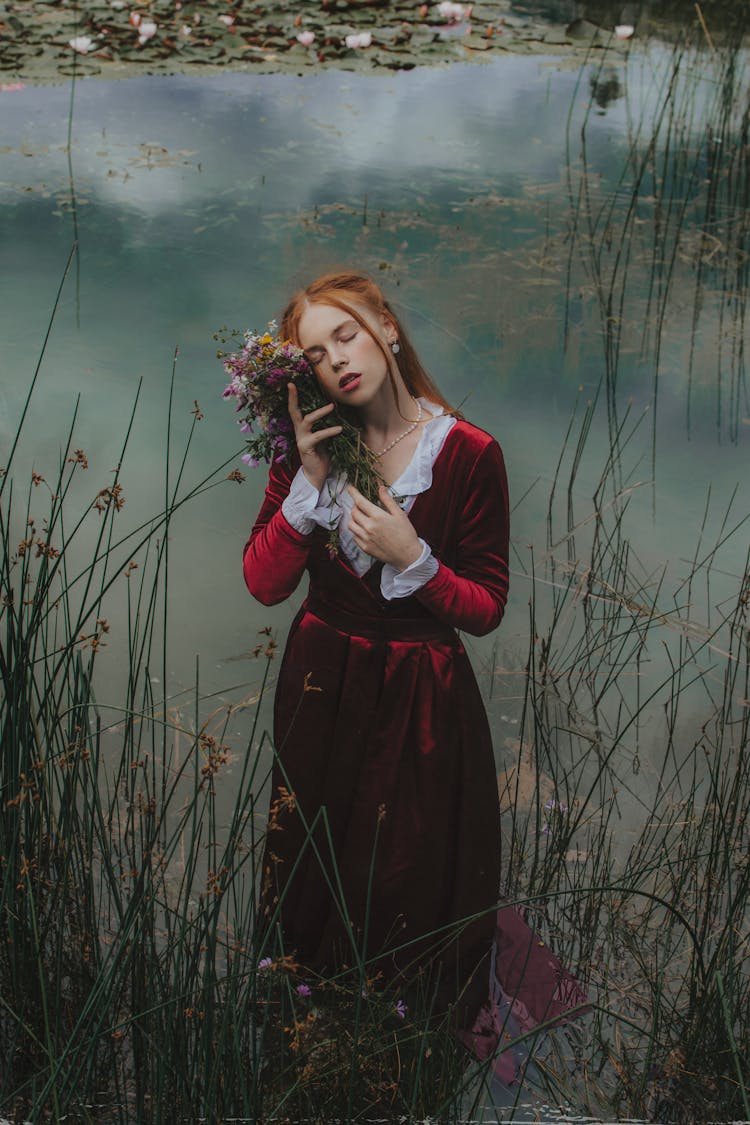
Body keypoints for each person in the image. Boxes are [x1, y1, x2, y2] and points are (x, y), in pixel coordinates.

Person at [243, 271, 585, 1044]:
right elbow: (264, 584)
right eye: (315, 352)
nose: (338, 359)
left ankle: (407, 1039)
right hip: (319, 684)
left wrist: (415, 557)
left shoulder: (467, 453)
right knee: (311, 864)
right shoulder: (311, 447)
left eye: (349, 333)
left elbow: (488, 608)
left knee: (405, 870)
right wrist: (307, 481)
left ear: (388, 330)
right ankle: (305, 1029)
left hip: (420, 695)